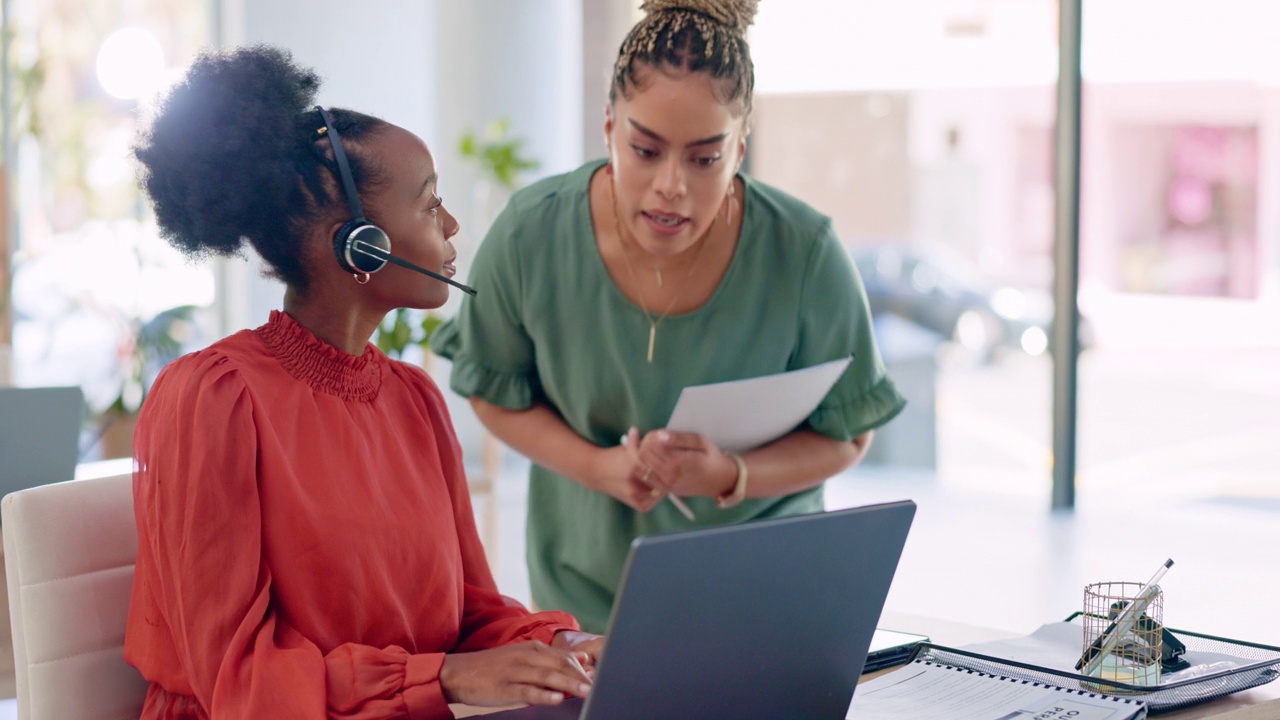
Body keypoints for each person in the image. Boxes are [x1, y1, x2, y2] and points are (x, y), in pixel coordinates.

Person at [123, 45, 602, 720]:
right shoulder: (212, 398)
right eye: (430, 201)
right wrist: (442, 680)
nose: (452, 225)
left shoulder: (415, 399)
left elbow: (472, 612)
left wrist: (566, 643)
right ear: (356, 243)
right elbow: (242, 681)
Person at [432, 0, 907, 634]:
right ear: (608, 129)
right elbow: (491, 389)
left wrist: (733, 474)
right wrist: (598, 467)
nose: (671, 186)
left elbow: (849, 433)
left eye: (705, 158)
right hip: (588, 599)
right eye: (646, 150)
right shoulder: (530, 234)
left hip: (769, 595)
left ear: (741, 145)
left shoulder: (805, 251)